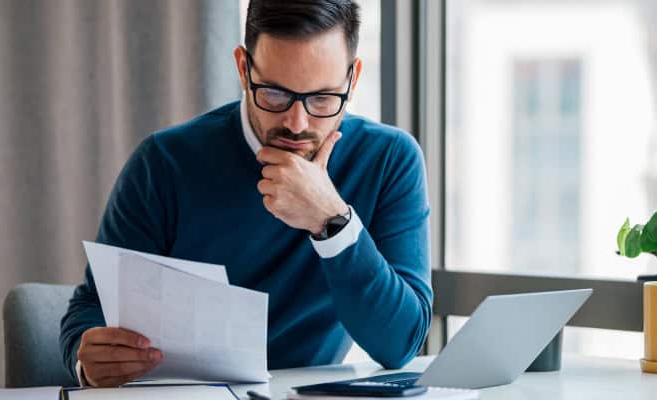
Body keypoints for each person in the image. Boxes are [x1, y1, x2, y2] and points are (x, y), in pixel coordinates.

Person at [59, 0, 432, 388]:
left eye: (322, 98)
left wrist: (332, 222)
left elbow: (400, 343)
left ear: (352, 80)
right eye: (274, 94)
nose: (297, 122)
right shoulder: (165, 163)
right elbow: (89, 311)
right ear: (243, 68)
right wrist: (87, 361)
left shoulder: (389, 159)